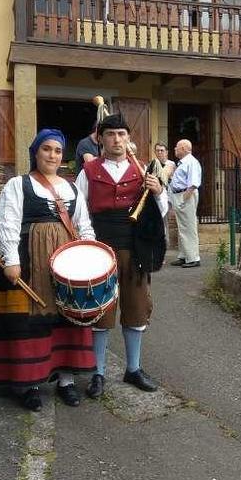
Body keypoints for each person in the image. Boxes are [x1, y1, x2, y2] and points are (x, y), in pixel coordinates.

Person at [0, 129, 97, 411]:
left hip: (67, 265)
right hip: (27, 262)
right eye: (46, 149)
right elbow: (7, 223)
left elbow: (84, 227)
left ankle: (66, 381)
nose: (52, 155)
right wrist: (11, 259)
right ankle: (29, 383)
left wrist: (91, 258)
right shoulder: (18, 185)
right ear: (35, 153)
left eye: (58, 150)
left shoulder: (72, 188)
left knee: (68, 317)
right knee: (28, 322)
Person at [75, 114, 167, 398]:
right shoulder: (88, 171)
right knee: (100, 310)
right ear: (100, 139)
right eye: (111, 134)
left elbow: (161, 211)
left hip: (134, 248)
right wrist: (89, 243)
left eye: (122, 134)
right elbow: (79, 212)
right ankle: (98, 373)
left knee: (136, 307)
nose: (117, 139)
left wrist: (159, 191)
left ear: (129, 139)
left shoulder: (143, 171)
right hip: (100, 246)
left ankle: (133, 369)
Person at [169, 139, 202, 268]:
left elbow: (193, 184)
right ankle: (184, 256)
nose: (175, 149)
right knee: (182, 227)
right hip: (180, 195)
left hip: (185, 195)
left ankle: (193, 258)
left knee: (188, 227)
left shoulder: (191, 162)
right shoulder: (183, 163)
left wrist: (183, 200)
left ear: (184, 148)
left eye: (177, 147)